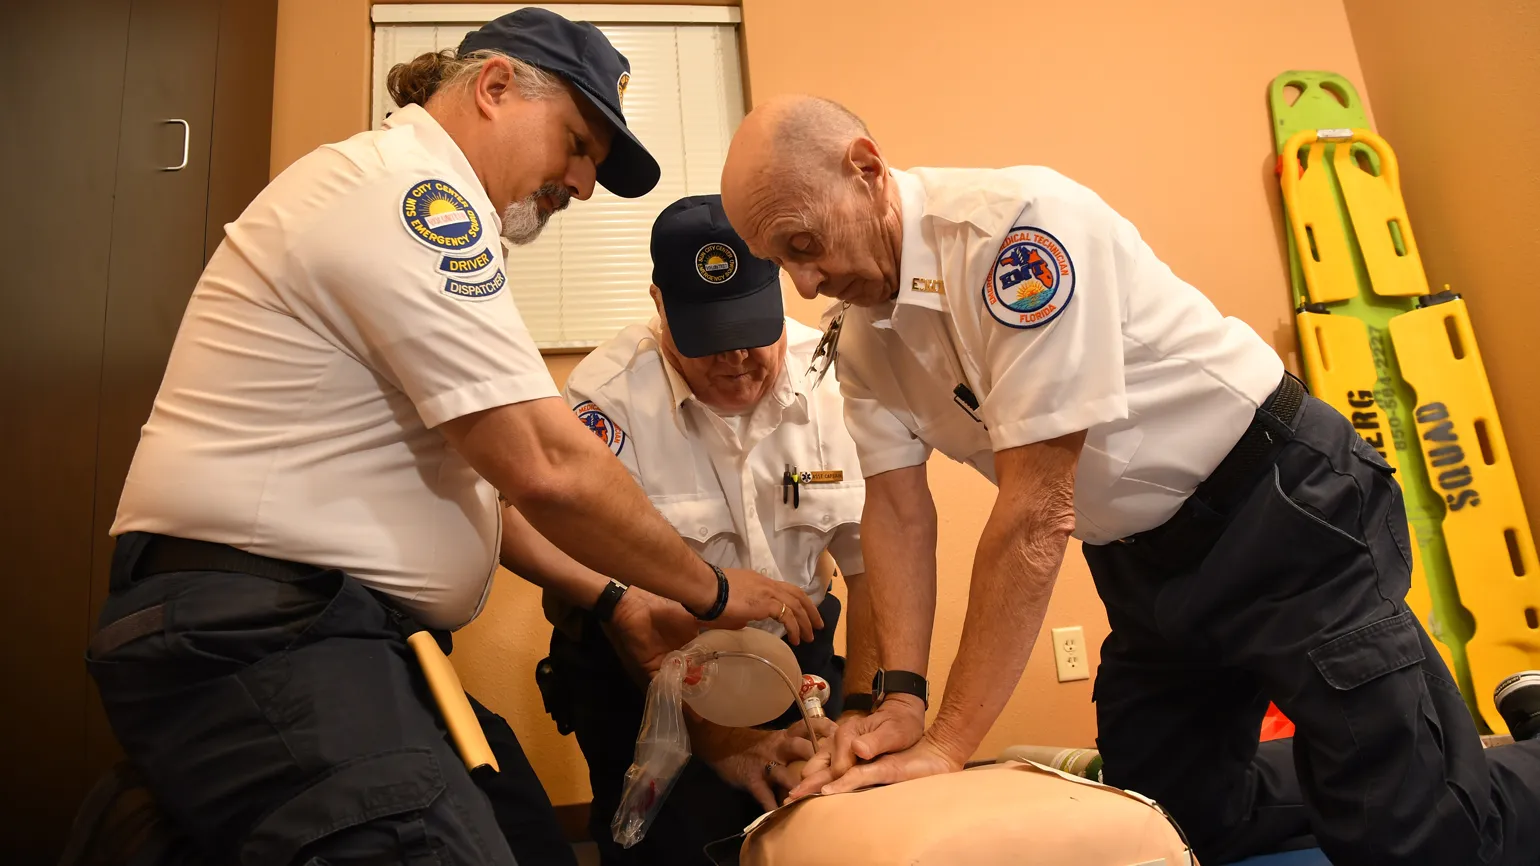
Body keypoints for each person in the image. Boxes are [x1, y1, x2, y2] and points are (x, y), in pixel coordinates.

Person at [717, 94, 1540, 865]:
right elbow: (896, 518)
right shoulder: (864, 340)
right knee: (1171, 818)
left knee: (1421, 837)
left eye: (803, 243)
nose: (806, 283)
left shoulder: (1018, 232)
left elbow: (1037, 512)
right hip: (1146, 567)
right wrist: (900, 700)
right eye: (780, 263)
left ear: (865, 169)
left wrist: (947, 743)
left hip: (1281, 509)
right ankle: (1364, 765)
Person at [79, 10, 820, 866]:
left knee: (527, 838)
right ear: (496, 87)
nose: (581, 185)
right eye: (577, 144)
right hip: (264, 628)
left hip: (350, 633)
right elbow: (547, 469)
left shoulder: (400, 202)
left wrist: (622, 599)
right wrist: (713, 592)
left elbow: (488, 500)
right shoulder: (413, 198)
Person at [501, 194, 876, 865]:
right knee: (668, 849)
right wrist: (720, 742)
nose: (735, 358)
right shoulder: (607, 396)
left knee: (821, 838)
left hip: (796, 657)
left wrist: (863, 720)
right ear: (658, 303)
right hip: (649, 672)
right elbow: (620, 607)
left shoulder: (836, 381)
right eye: (708, 338)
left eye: (750, 330)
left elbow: (876, 572)